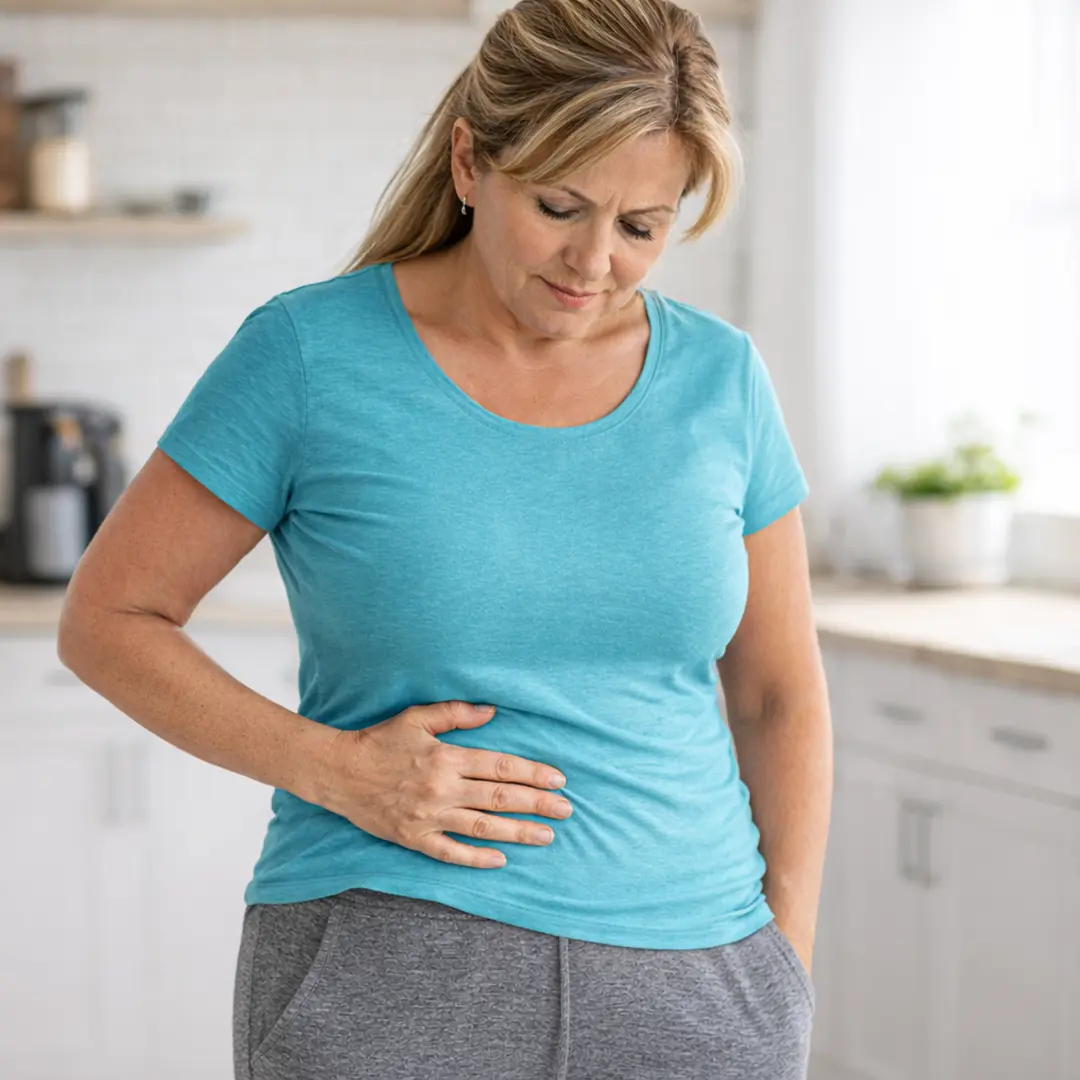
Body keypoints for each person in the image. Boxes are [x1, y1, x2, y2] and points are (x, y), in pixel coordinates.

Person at [56, 0, 833, 1077]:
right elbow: (108, 619)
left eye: (643, 226)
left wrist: (783, 960)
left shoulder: (722, 379)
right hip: (386, 967)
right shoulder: (310, 355)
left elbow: (776, 696)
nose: (594, 261)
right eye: (560, 206)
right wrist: (336, 769)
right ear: (471, 161)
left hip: (700, 984)